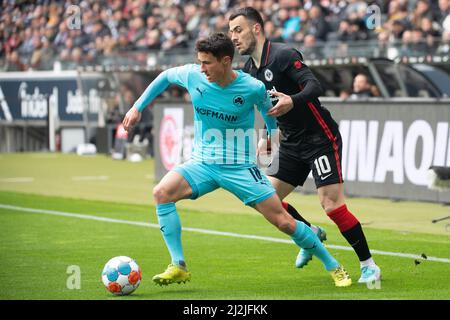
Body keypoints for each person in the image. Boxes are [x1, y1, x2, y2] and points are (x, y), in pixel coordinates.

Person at [122, 32, 351, 287]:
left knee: (283, 221)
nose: (202, 68)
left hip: (240, 168)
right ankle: (179, 265)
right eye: (199, 62)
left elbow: (270, 114)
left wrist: (270, 136)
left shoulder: (252, 88)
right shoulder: (192, 76)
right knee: (161, 193)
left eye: (207, 62)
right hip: (202, 163)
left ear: (225, 61)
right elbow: (164, 77)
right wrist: (137, 107)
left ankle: (334, 265)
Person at [229, 8, 381, 284]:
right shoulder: (249, 70)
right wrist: (267, 135)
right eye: (231, 32)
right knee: (265, 199)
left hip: (319, 137)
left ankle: (369, 265)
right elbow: (265, 107)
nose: (233, 37)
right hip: (290, 141)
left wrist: (293, 100)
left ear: (256, 29)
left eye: (238, 30)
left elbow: (314, 86)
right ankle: (310, 232)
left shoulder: (283, 55)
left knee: (332, 205)